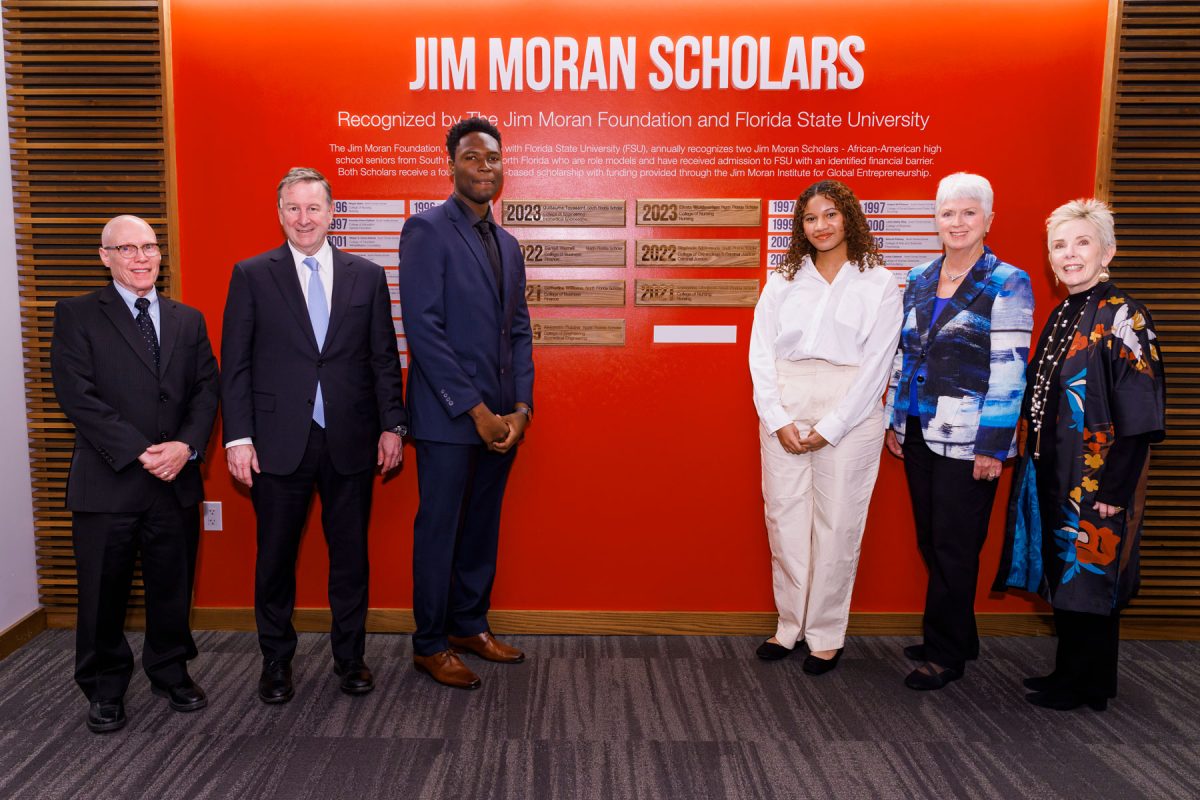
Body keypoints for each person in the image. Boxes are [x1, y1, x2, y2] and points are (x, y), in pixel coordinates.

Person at [220, 167, 406, 703]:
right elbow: (235, 365)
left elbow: (383, 361)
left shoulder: (366, 276)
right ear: (280, 214)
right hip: (277, 444)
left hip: (351, 439)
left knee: (350, 557)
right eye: (294, 209)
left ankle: (351, 659)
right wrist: (238, 438)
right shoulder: (252, 274)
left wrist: (393, 425)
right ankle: (276, 661)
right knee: (275, 558)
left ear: (331, 213)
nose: (304, 219)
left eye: (314, 208)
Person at [51, 215, 219, 733]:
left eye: (149, 246)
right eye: (128, 248)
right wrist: (143, 451)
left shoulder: (187, 319)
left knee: (173, 586)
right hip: (109, 480)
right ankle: (104, 688)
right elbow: (76, 395)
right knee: (103, 593)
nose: (142, 257)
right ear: (106, 257)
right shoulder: (77, 314)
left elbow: (206, 391)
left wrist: (186, 446)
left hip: (175, 481)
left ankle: (171, 672)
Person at [995, 199, 1165, 711]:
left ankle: (1086, 684)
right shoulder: (1065, 310)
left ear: (1107, 250)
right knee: (1067, 579)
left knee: (1093, 579)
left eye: (1081, 242)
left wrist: (1115, 489)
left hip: (1098, 481)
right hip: (1054, 473)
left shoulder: (1124, 316)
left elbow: (1142, 416)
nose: (1069, 254)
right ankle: (1072, 673)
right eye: (1059, 246)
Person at [398, 117, 533, 690]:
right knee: (440, 530)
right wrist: (476, 411)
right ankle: (429, 643)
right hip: (450, 418)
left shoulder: (506, 242)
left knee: (480, 528)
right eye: (473, 158)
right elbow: (424, 331)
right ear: (451, 163)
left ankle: (468, 624)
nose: (485, 168)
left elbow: (520, 331)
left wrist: (521, 409)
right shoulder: (425, 230)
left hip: (502, 421)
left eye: (494, 160)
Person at [884, 172, 1034, 690]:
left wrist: (994, 445)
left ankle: (945, 655)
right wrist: (896, 420)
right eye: (948, 213)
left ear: (989, 220)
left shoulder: (1007, 281)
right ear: (936, 220)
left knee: (955, 544)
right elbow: (905, 355)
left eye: (969, 212)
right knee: (932, 538)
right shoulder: (921, 276)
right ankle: (957, 634)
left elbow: (1012, 367)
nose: (957, 222)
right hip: (920, 429)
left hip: (972, 441)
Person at [748, 180, 902, 674]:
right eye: (811, 218)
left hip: (852, 409)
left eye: (830, 215)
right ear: (801, 227)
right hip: (787, 405)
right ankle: (789, 626)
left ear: (849, 218)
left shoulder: (878, 282)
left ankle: (826, 634)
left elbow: (878, 365)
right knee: (785, 521)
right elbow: (760, 356)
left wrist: (832, 425)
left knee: (838, 526)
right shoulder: (782, 279)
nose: (821, 226)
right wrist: (777, 418)